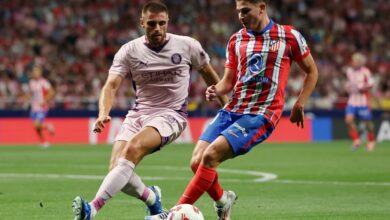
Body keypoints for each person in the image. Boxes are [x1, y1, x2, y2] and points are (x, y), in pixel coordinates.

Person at [146, 0, 318, 219]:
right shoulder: (237, 40)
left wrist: (300, 102)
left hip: (261, 113)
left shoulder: (288, 36)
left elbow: (312, 71)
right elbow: (229, 80)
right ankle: (223, 200)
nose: (241, 16)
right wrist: (216, 90)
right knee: (196, 161)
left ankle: (171, 213)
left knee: (210, 156)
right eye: (238, 12)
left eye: (245, 11)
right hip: (233, 108)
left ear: (262, 8)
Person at [72, 1, 228, 220]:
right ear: (142, 23)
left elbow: (210, 75)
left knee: (132, 150)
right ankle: (152, 199)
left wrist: (227, 108)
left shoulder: (187, 46)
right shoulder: (129, 50)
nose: (157, 29)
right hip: (139, 113)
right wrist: (103, 112)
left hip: (171, 114)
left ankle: (92, 208)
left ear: (167, 23)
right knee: (116, 169)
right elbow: (111, 85)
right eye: (152, 24)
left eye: (162, 23)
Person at [344, 52, 376, 151]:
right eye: (353, 60)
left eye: (356, 61)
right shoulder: (349, 71)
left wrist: (363, 87)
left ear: (361, 62)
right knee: (348, 120)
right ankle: (357, 140)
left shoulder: (366, 71)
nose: (354, 62)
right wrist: (347, 87)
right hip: (352, 100)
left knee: (367, 122)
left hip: (362, 101)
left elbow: (371, 83)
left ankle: (371, 141)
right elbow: (349, 83)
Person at [26, 65, 55, 148]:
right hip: (33, 107)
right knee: (37, 128)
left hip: (42, 107)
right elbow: (31, 93)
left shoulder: (44, 82)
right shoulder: (31, 82)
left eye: (37, 72)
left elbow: (51, 92)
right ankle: (44, 142)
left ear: (40, 73)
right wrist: (27, 97)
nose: (35, 73)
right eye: (34, 72)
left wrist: (44, 101)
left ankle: (48, 126)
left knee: (36, 124)